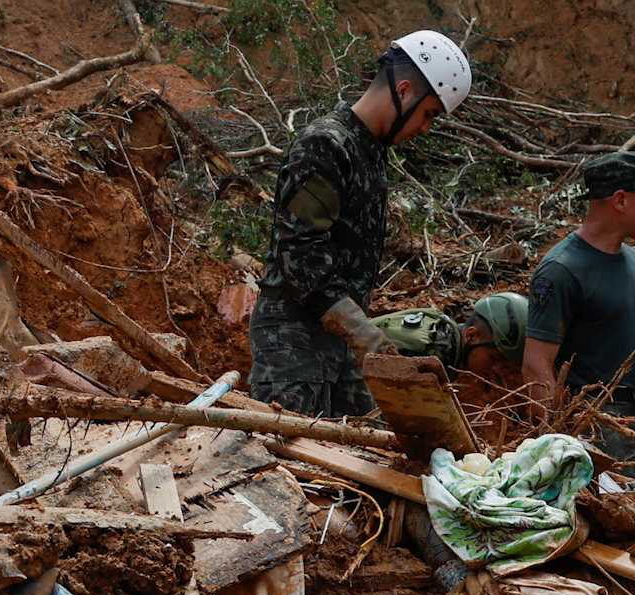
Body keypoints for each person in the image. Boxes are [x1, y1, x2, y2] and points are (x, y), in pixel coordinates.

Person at [248, 29, 471, 418]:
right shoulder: (327, 144)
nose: (425, 128)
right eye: (429, 113)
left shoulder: (369, 153)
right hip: (293, 345)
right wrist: (363, 332)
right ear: (404, 91)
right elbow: (300, 252)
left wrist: (362, 336)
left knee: (369, 447)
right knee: (295, 466)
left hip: (338, 343)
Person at [524, 152, 635, 456]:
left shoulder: (631, 260)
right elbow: (536, 364)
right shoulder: (562, 269)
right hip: (599, 423)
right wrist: (555, 441)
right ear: (621, 200)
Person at [373, 292, 529, 383]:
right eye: (494, 358)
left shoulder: (445, 334)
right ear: (472, 336)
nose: (497, 370)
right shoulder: (434, 352)